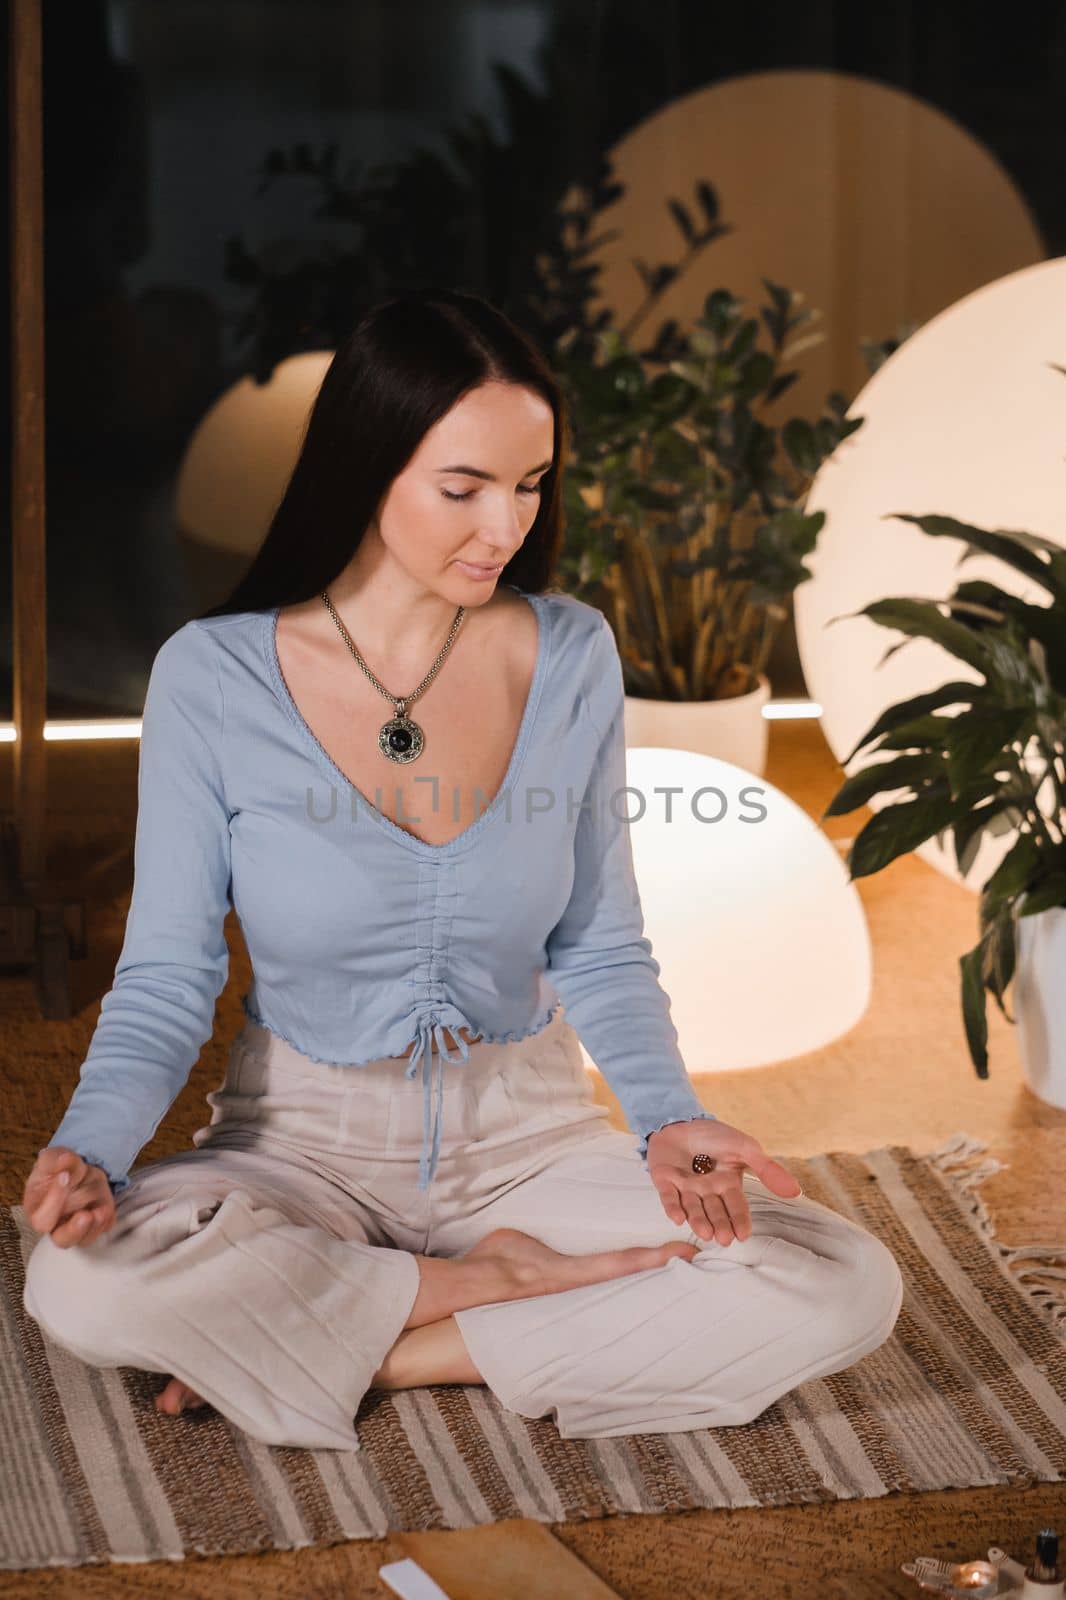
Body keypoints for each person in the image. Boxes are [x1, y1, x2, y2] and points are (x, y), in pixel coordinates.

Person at [21, 288, 903, 1452]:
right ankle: (483, 1298)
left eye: (529, 485)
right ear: (366, 467)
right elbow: (169, 976)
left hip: (527, 1142)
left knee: (842, 1277)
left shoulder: (570, 650)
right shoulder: (212, 678)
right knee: (77, 1282)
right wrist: (90, 1150)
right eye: (464, 488)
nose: (504, 525)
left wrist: (666, 1118)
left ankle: (395, 1345)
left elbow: (599, 937)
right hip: (301, 1150)